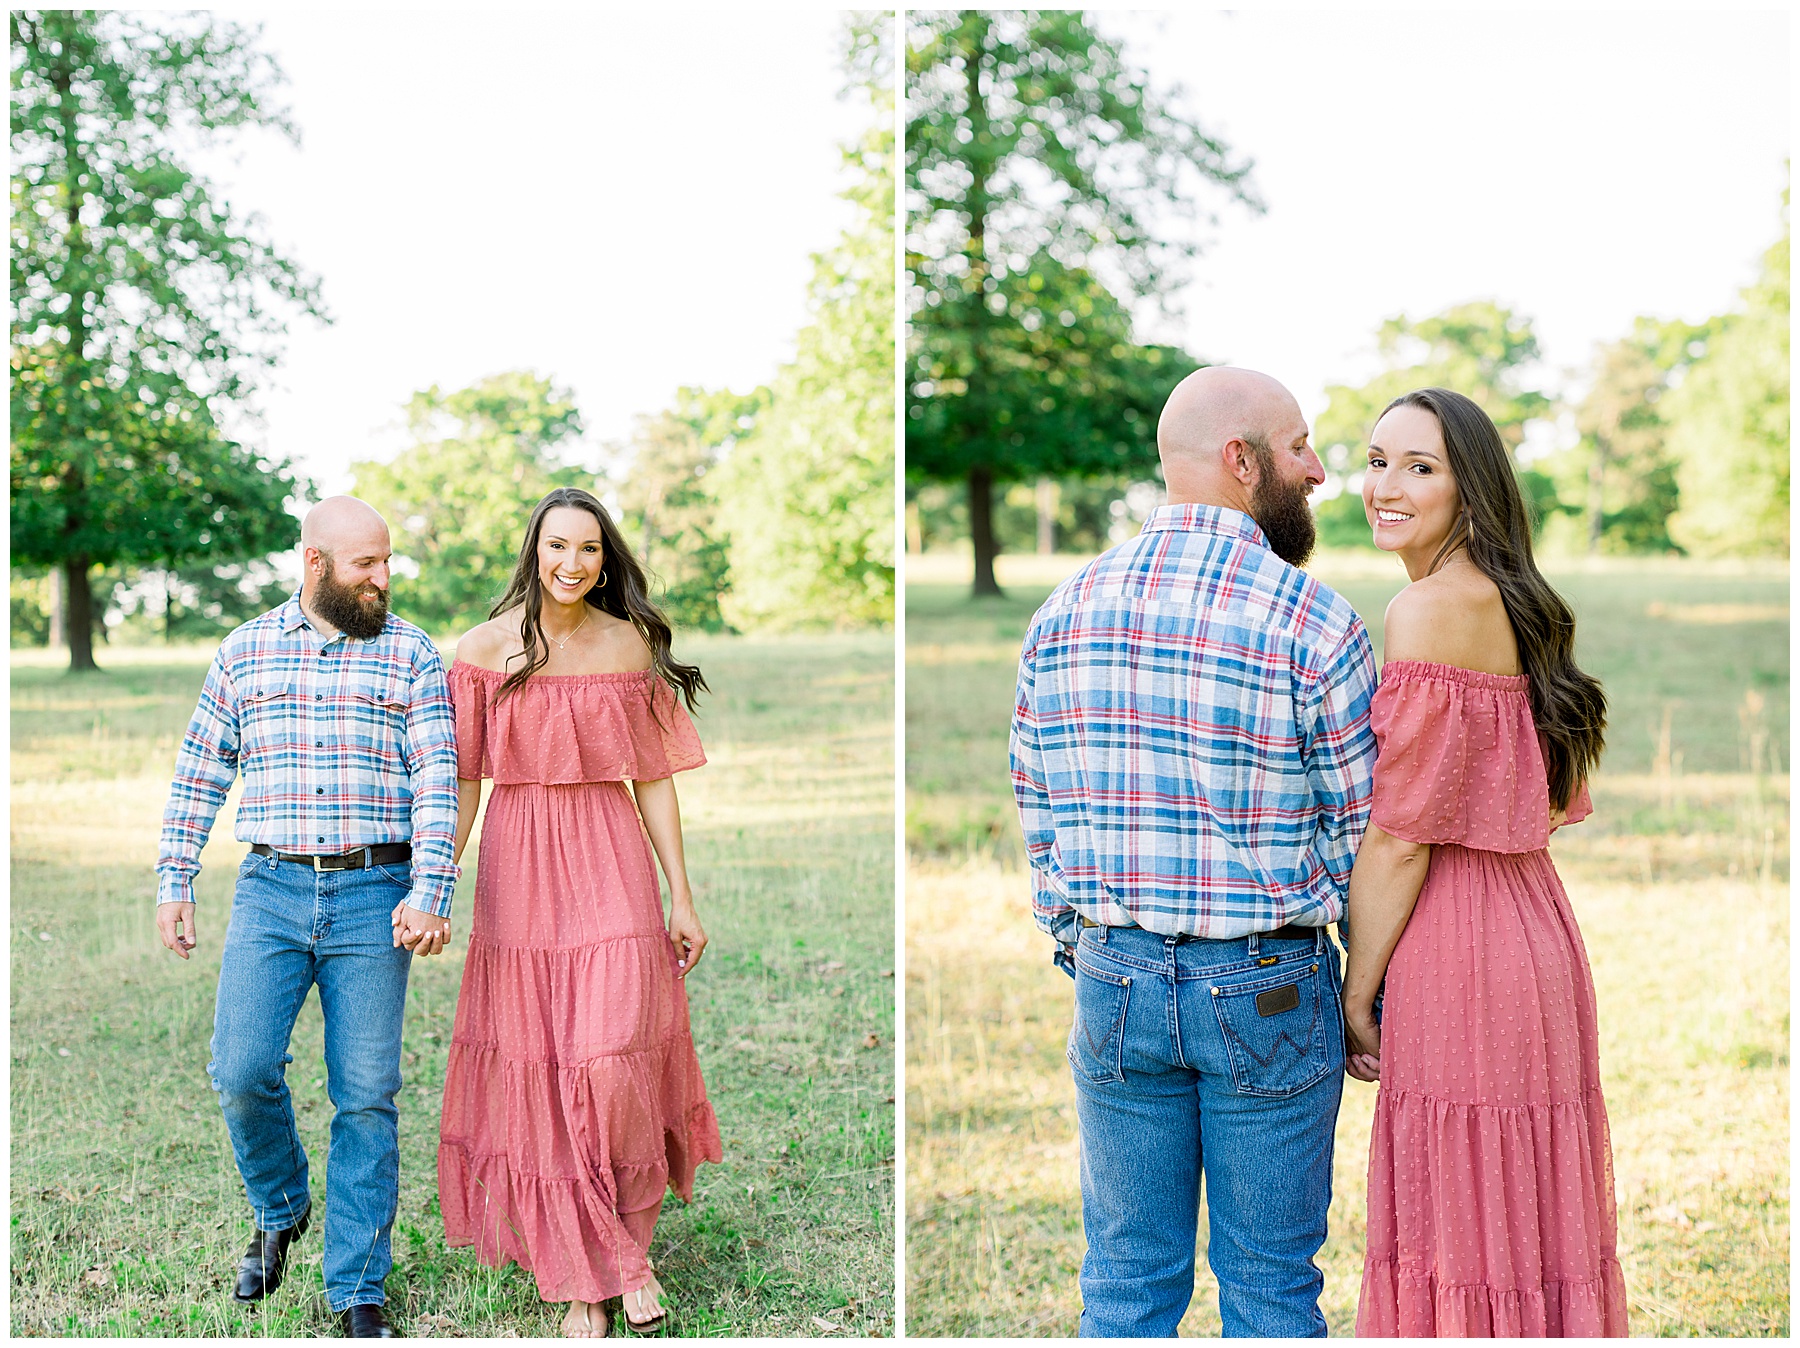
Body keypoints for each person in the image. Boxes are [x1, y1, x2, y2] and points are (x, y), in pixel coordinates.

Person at [1009, 367, 1379, 1337]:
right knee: (1270, 1287)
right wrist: (1357, 988)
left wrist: (1086, 945)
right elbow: (1360, 839)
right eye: (1301, 446)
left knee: (1125, 1283)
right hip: (1267, 984)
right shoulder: (1315, 622)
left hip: (1113, 976)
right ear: (1242, 460)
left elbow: (1038, 809)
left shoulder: (1062, 611)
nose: (1322, 470)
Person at [1341, 387, 1625, 1336]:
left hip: (1460, 944)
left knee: (1464, 1215)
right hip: (1535, 929)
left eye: (1421, 467)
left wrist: (1355, 987)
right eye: (1378, 460)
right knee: (1529, 1209)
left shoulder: (1426, 609)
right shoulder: (1520, 602)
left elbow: (1402, 835)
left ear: (1473, 489)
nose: (1386, 485)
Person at [155, 496, 459, 1339]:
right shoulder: (246, 651)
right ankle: (281, 1203)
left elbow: (439, 780)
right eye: (367, 565)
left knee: (366, 1097)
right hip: (272, 893)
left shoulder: (412, 654)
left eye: (388, 563)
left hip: (375, 894)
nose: (384, 580)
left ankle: (358, 1288)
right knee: (240, 1067)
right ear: (316, 563)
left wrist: (430, 888)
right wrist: (175, 878)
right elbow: (198, 771)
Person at [433, 486, 722, 1339]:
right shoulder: (482, 650)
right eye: (557, 546)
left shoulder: (627, 645)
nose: (572, 564)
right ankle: (586, 1275)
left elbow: (654, 777)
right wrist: (434, 879)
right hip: (519, 868)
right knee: (543, 1063)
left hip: (610, 856)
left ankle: (627, 1243)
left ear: (606, 559)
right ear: (533, 551)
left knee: (609, 1057)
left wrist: (682, 891)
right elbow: (465, 785)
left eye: (589, 549)